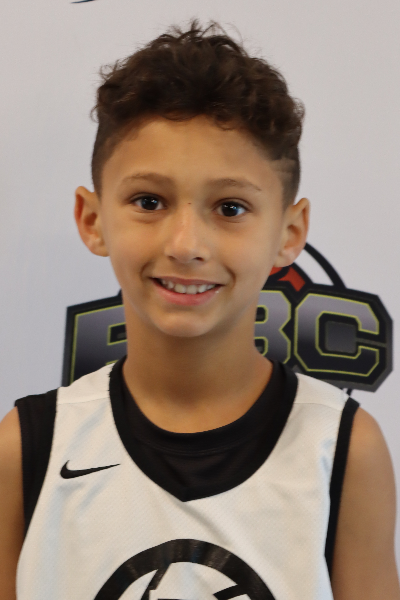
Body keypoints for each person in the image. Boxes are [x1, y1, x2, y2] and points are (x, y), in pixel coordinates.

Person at [0, 21, 399, 600]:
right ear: (92, 219)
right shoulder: (27, 448)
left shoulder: (342, 448)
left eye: (230, 207)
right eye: (149, 201)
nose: (186, 244)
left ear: (289, 233)